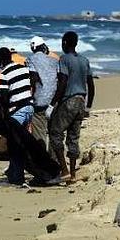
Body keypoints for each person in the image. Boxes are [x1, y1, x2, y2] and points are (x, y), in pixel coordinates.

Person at [48, 31, 95, 183]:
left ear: (66, 43)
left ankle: (64, 170)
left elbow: (62, 83)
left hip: (69, 101)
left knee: (55, 133)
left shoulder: (64, 60)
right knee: (73, 138)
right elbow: (91, 85)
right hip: (81, 101)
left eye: (63, 42)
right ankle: (73, 174)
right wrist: (88, 106)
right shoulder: (84, 60)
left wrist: (52, 103)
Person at [0, 47, 34, 184]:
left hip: (17, 111)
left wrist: (4, 115)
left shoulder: (4, 73)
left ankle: (17, 176)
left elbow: (5, 98)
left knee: (14, 144)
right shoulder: (23, 68)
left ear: (0, 61)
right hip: (29, 108)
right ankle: (13, 171)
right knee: (20, 142)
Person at [26, 36, 58, 151]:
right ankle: (55, 161)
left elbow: (33, 80)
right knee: (54, 134)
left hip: (39, 101)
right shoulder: (54, 60)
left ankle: (43, 162)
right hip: (54, 101)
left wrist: (29, 97)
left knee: (39, 135)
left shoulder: (30, 59)